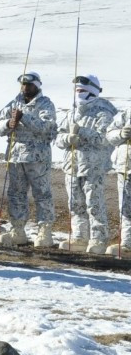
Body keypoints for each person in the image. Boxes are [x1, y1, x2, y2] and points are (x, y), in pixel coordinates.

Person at [0, 72, 58, 247]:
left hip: (37, 157)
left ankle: (45, 231)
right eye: (22, 84)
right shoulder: (14, 103)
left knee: (42, 193)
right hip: (15, 156)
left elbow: (46, 127)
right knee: (16, 193)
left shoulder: (46, 104)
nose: (25, 88)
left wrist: (25, 118)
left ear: (37, 85)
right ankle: (18, 229)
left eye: (29, 85)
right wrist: (8, 124)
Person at [55, 75, 117, 254]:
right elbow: (59, 137)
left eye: (83, 90)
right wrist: (68, 138)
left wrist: (82, 132)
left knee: (94, 204)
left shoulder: (103, 112)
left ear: (92, 91)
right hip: (72, 166)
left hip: (93, 167)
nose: (79, 93)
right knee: (75, 204)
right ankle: (80, 237)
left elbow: (105, 139)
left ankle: (99, 239)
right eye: (77, 90)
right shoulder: (72, 112)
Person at [105, 93, 131, 256]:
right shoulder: (126, 113)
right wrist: (121, 134)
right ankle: (127, 243)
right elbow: (109, 134)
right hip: (125, 166)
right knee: (126, 208)